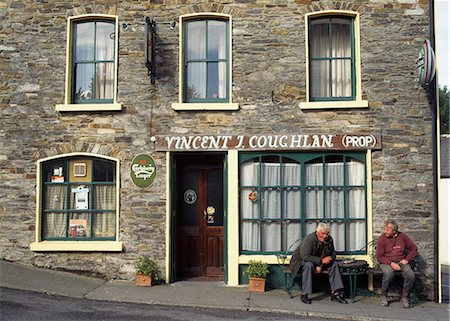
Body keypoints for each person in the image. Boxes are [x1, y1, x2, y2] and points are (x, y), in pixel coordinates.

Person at [289, 222, 347, 304]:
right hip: (300, 262)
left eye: (326, 234)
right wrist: (321, 262)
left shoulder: (329, 240)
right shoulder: (309, 239)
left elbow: (333, 253)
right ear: (317, 232)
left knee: (334, 265)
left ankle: (335, 293)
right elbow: (305, 256)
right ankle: (305, 294)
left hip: (317, 262)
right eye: (322, 233)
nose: (325, 236)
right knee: (309, 265)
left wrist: (329, 258)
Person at [376, 219, 418, 308]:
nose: (385, 231)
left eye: (388, 229)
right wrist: (391, 263)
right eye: (385, 229)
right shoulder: (382, 239)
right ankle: (383, 295)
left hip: (401, 261)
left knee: (410, 275)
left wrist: (407, 259)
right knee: (389, 273)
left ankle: (404, 296)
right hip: (386, 262)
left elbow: (413, 249)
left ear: (394, 231)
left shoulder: (403, 237)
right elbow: (379, 257)